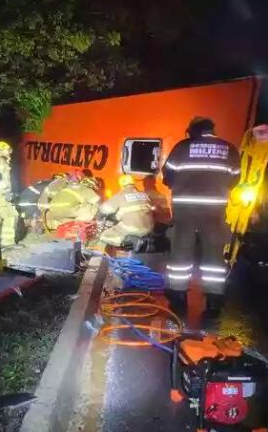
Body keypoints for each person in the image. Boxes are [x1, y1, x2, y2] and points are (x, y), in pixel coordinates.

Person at [162, 117, 240, 297]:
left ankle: (178, 292)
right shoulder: (229, 149)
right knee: (214, 251)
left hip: (185, 209)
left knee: (181, 249)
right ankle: (214, 296)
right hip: (214, 210)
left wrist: (180, 186)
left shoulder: (182, 147)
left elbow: (167, 176)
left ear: (192, 130)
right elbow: (235, 178)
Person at [98, 174, 155, 247]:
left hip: (133, 228)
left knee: (104, 236)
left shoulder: (121, 195)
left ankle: (131, 241)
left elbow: (105, 209)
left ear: (121, 184)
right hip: (149, 227)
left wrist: (99, 216)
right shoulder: (144, 195)